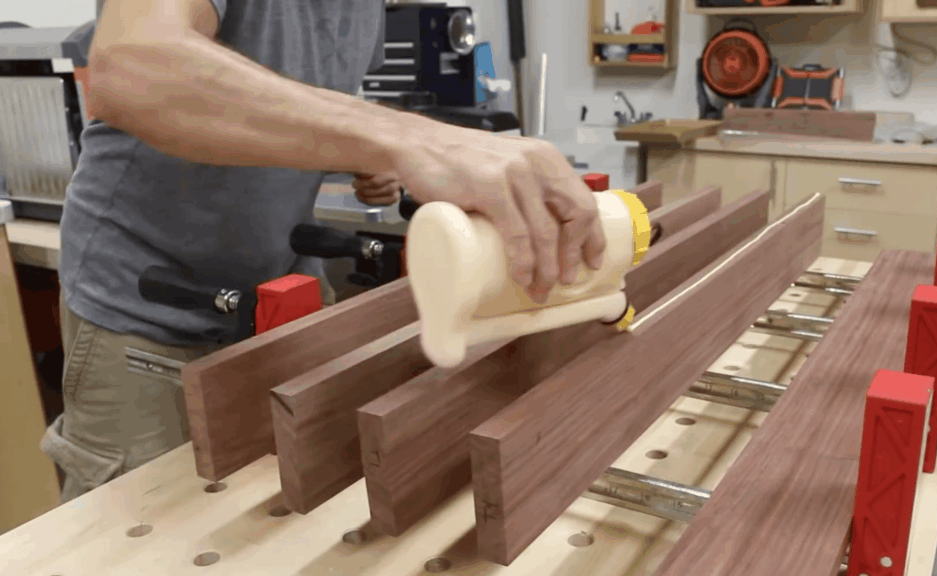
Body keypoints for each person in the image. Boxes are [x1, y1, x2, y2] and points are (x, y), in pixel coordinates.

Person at [41, 0, 607, 502]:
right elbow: (135, 66)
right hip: (143, 307)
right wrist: (409, 137)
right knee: (141, 532)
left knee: (292, 505)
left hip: (278, 291)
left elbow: (295, 94)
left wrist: (365, 156)